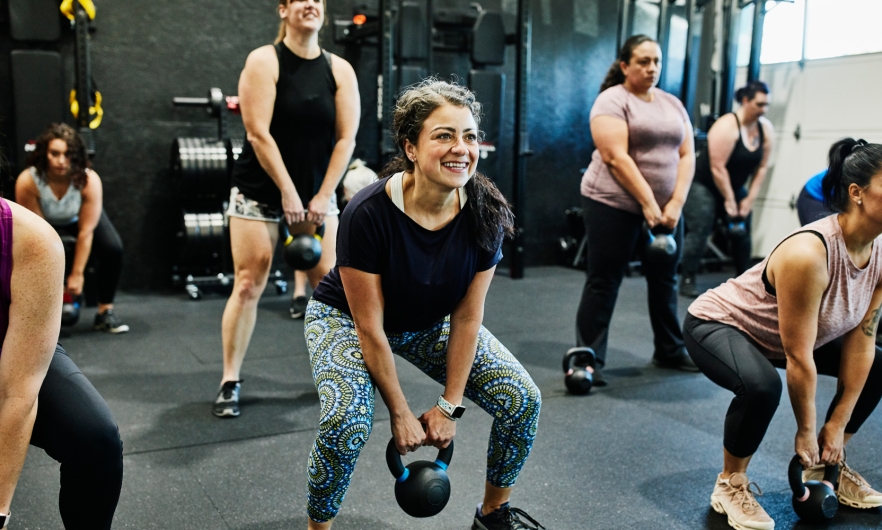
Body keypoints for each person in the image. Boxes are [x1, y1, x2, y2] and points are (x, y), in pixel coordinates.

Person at [303, 79, 543, 530]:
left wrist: (449, 406)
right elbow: (369, 327)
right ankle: (319, 529)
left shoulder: (485, 214)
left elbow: (468, 317)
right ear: (411, 147)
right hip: (346, 318)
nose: (461, 148)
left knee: (522, 399)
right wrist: (399, 412)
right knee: (346, 422)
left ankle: (493, 514)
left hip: (429, 321)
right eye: (444, 135)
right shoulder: (368, 212)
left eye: (470, 136)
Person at [684, 138, 882, 530]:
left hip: (785, 338)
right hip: (720, 323)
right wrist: (807, 432)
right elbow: (798, 356)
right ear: (857, 193)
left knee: (880, 361)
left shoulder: (880, 255)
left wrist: (836, 427)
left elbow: (861, 343)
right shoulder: (809, 254)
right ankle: (730, 484)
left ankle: (829, 468)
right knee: (761, 387)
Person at [215, 0, 359, 417]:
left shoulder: (339, 70)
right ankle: (229, 380)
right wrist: (288, 192)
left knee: (334, 288)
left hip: (316, 193)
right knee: (248, 282)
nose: (311, 4)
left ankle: (345, 375)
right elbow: (258, 133)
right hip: (261, 188)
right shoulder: (264, 61)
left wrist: (321, 195)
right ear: (284, 9)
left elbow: (345, 140)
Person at [0, 165, 124, 528]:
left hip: (14, 341)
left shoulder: (32, 239)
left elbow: (19, 391)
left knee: (95, 439)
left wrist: (0, 509)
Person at [575, 34, 697, 384]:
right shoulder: (612, 100)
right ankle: (588, 359)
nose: (652, 68)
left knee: (665, 279)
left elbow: (687, 154)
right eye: (643, 61)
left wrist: (675, 203)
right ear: (625, 65)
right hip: (612, 202)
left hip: (667, 208)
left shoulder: (672, 103)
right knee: (604, 279)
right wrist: (647, 202)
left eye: (657, 61)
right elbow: (615, 157)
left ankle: (670, 349)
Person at [15, 123, 129, 333]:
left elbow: (86, 232)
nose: (61, 161)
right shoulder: (28, 182)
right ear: (44, 154)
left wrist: (77, 274)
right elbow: (39, 237)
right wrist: (55, 283)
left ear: (75, 157)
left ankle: (105, 312)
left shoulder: (88, 180)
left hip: (77, 219)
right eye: (55, 153)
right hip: (43, 225)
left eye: (68, 155)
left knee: (113, 248)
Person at [680, 81, 773, 297]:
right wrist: (730, 201)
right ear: (745, 101)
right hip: (704, 183)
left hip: (734, 185)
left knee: (743, 229)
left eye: (767, 105)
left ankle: (747, 282)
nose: (763, 110)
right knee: (702, 225)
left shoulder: (765, 129)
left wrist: (749, 199)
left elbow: (762, 167)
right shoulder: (726, 126)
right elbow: (717, 167)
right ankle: (687, 278)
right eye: (759, 104)